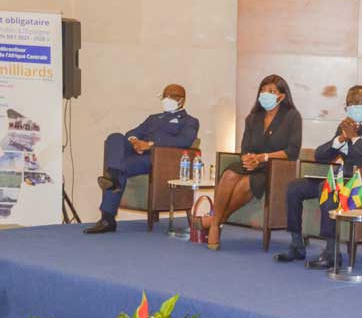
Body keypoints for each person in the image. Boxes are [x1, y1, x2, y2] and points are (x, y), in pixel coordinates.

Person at [274, 85, 362, 267]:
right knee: (295, 187)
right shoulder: (345, 126)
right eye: (349, 105)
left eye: (358, 104)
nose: (353, 108)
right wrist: (340, 140)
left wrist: (355, 138)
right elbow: (320, 155)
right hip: (341, 178)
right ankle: (297, 245)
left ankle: (332, 253)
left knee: (328, 189)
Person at [201, 75, 302, 250]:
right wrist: (248, 159)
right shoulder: (253, 117)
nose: (265, 94)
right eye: (263, 90)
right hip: (251, 163)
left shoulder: (292, 117)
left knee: (246, 183)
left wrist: (262, 158)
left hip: (273, 168)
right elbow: (245, 147)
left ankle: (215, 222)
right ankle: (216, 223)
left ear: (281, 96)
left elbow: (292, 151)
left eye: (271, 91)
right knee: (229, 174)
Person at [83, 84, 199, 234]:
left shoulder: (190, 121)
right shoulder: (153, 118)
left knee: (117, 169)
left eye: (172, 96)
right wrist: (135, 142)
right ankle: (113, 177)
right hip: (137, 155)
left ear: (181, 100)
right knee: (115, 137)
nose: (167, 99)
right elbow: (132, 132)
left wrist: (150, 145)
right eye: (165, 95)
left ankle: (107, 218)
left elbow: (184, 141)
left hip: (159, 160)